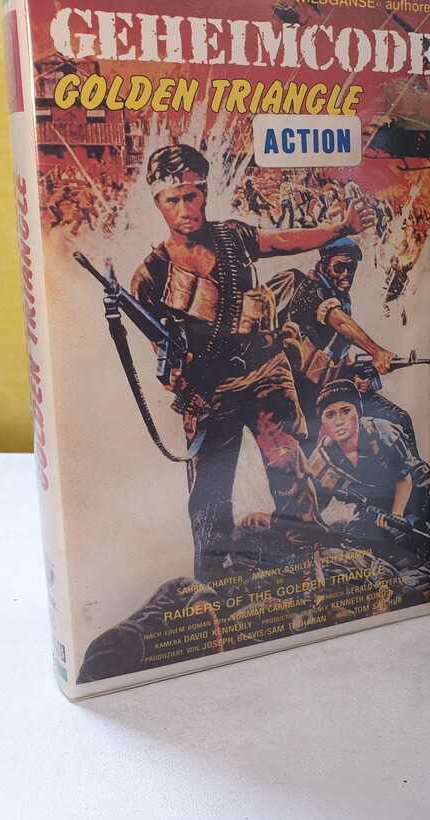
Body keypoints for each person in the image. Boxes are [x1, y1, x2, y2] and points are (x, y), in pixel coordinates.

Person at [130, 143, 374, 579]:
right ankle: (211, 579)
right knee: (210, 489)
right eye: (173, 200)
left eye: (191, 196)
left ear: (204, 193)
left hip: (264, 371)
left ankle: (307, 561)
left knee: (287, 462)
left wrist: (343, 227)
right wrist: (176, 376)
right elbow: (161, 349)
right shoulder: (151, 276)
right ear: (158, 204)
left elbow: (283, 241)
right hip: (210, 391)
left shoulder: (232, 236)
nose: (184, 209)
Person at [307, 381, 430, 600]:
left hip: (419, 487)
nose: (339, 421)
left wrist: (396, 515)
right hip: (378, 502)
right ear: (323, 423)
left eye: (345, 411)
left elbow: (404, 478)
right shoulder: (320, 460)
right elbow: (310, 499)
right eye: (330, 415)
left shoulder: (382, 431)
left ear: (357, 413)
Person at [282, 237, 419, 449]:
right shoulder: (311, 290)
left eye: (351, 268)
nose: (346, 274)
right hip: (302, 395)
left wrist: (355, 378)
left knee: (399, 420)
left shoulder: (341, 297)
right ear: (323, 266)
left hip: (330, 391)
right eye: (339, 267)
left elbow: (337, 353)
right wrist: (377, 352)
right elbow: (339, 322)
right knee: (308, 450)